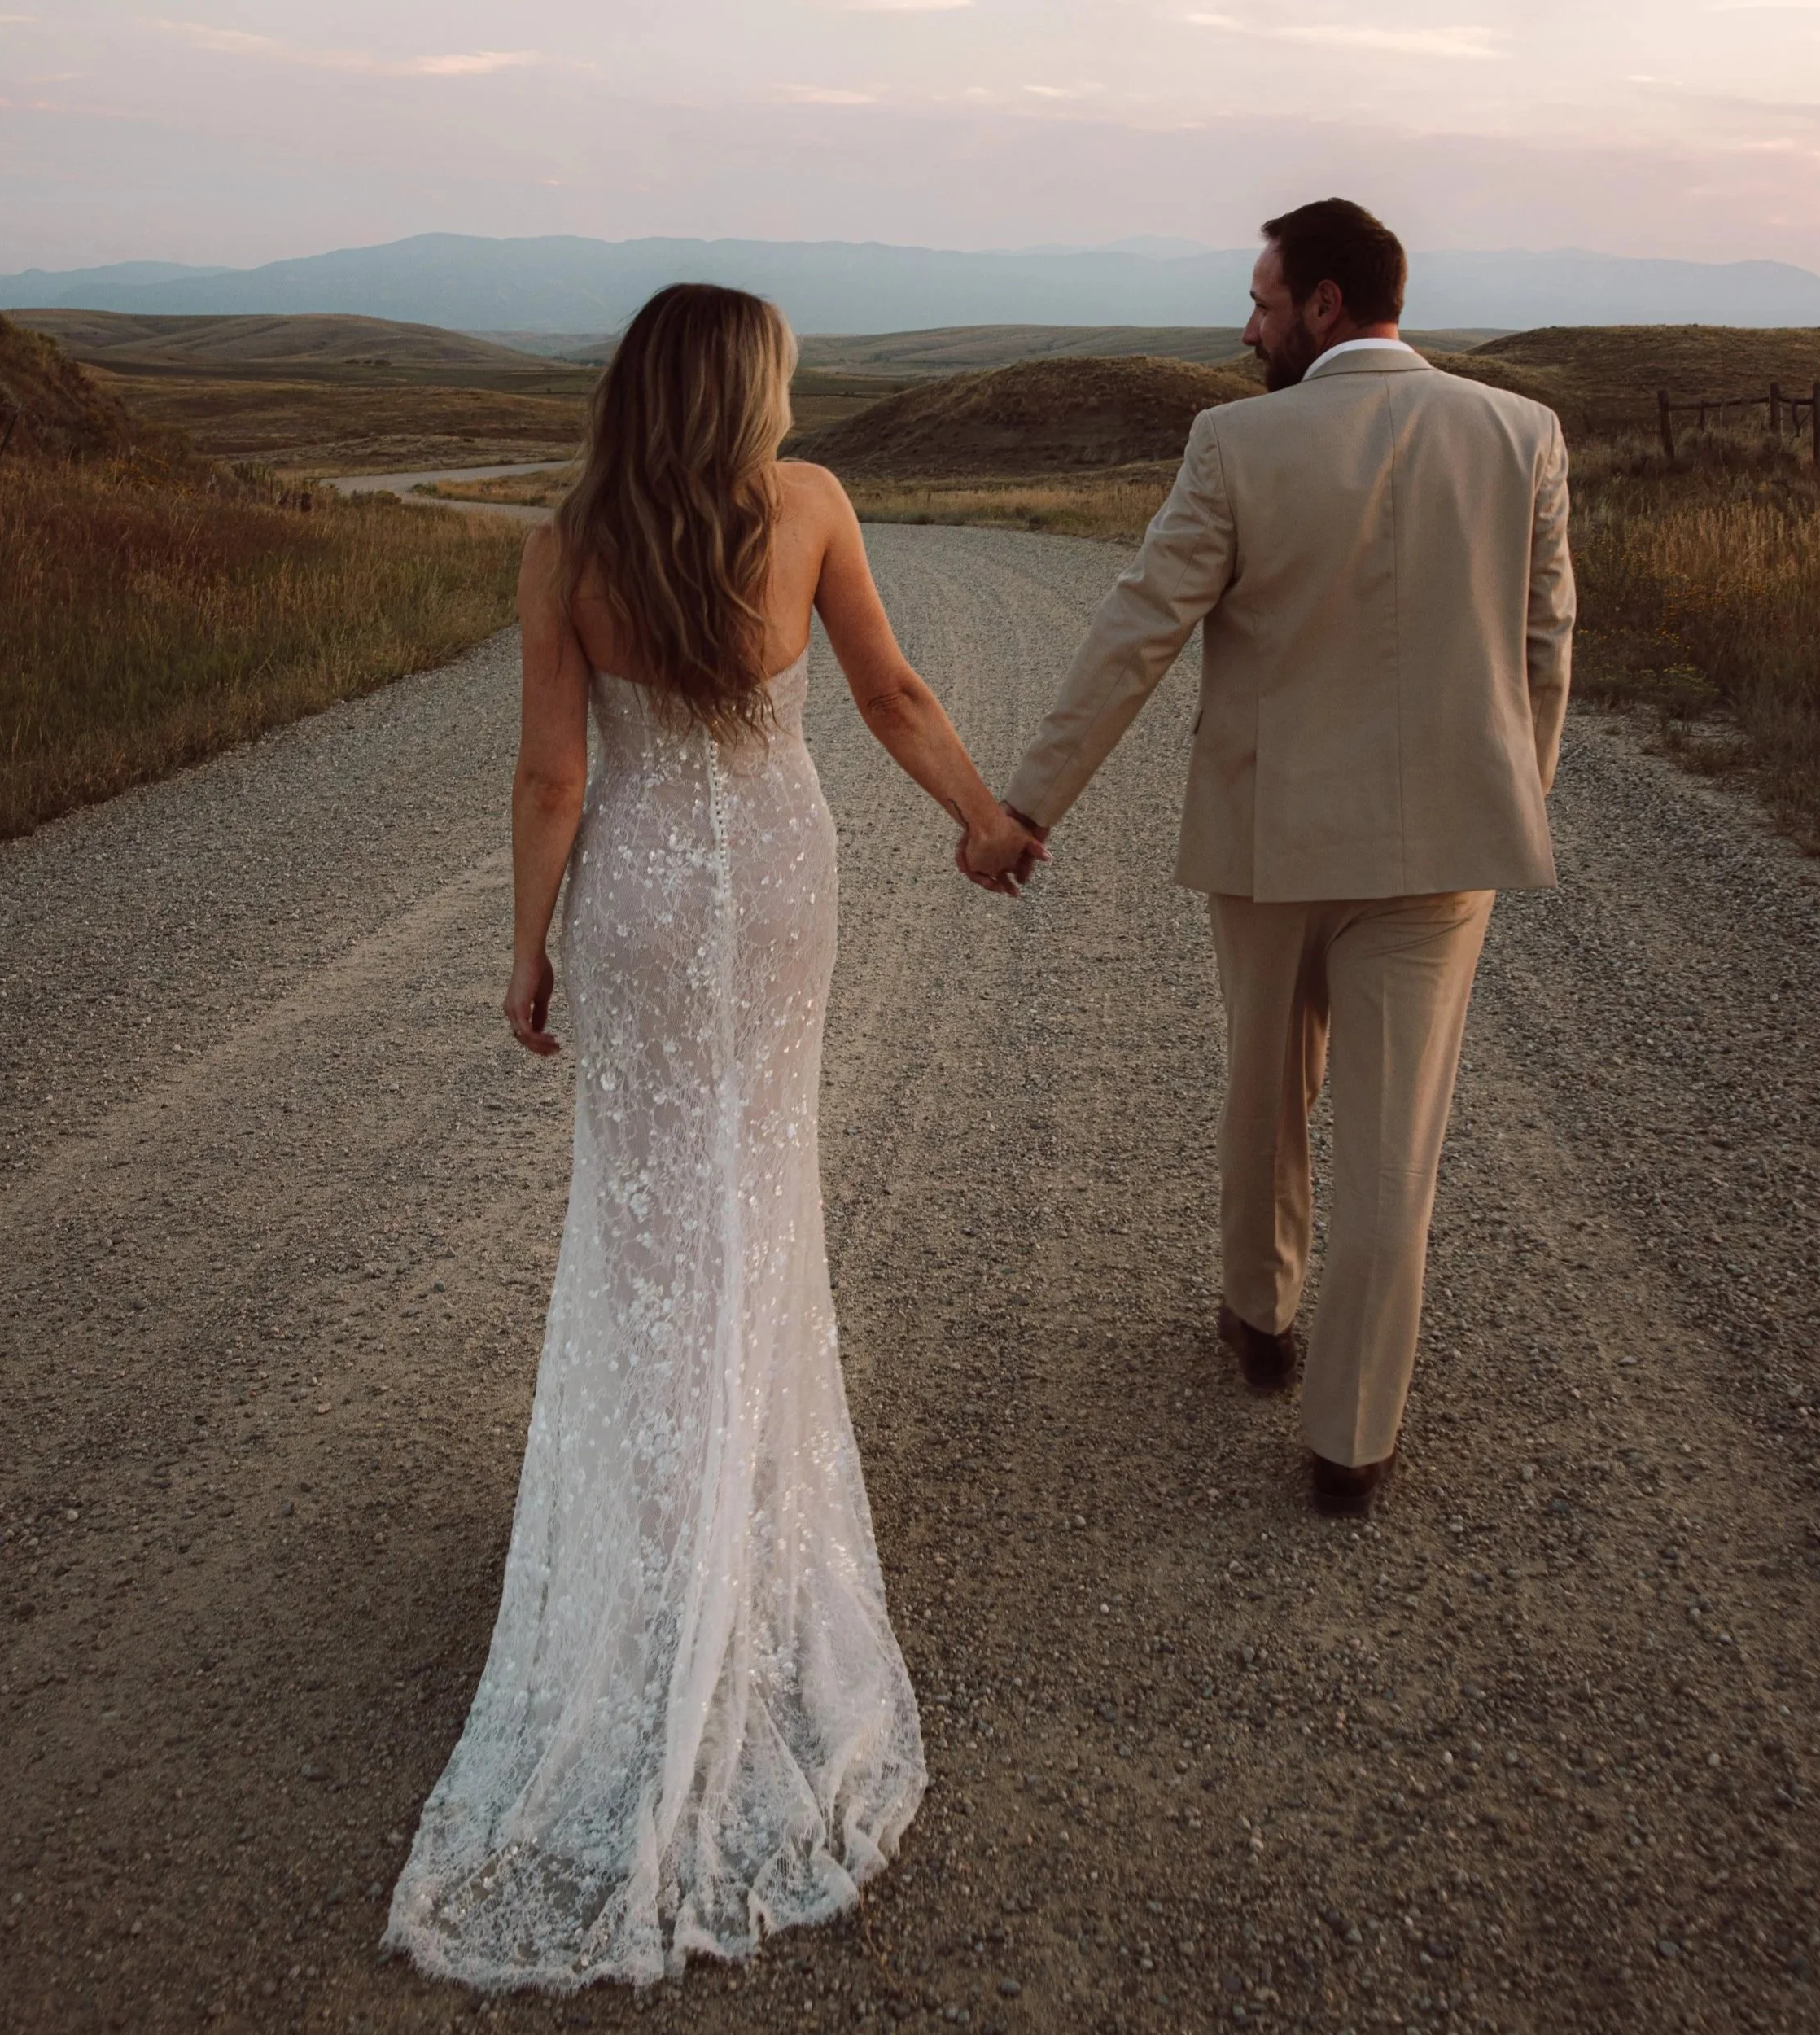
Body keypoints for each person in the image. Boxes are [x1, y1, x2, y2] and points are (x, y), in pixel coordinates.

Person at [383, 282, 1043, 1991]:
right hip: (776, 896)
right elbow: (890, 691)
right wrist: (982, 817)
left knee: (649, 1216)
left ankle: (653, 1529)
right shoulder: (808, 504)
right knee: (762, 1197)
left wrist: (526, 946)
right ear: (747, 388)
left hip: (648, 903)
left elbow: (550, 779)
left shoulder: (564, 540)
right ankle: (747, 1521)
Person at [1000, 199, 1574, 1517]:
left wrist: (1034, 802)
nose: (1246, 326)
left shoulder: (1238, 442)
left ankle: (1260, 1317)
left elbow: (1139, 627)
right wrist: (1511, 800)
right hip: (1444, 852)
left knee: (1265, 1082)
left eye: (1261, 302)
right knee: (1394, 1145)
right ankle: (1351, 1444)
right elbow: (1546, 647)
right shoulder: (1520, 435)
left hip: (1270, 845)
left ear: (1322, 305)